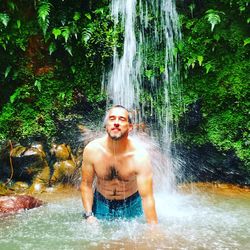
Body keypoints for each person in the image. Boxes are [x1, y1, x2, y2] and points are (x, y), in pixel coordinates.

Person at [80, 105, 158, 224]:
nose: (116, 123)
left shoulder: (140, 156)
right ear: (106, 125)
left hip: (131, 204)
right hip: (101, 203)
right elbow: (86, 185)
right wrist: (89, 215)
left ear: (130, 127)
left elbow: (147, 197)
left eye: (121, 119)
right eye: (112, 119)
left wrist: (153, 227)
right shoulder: (92, 150)